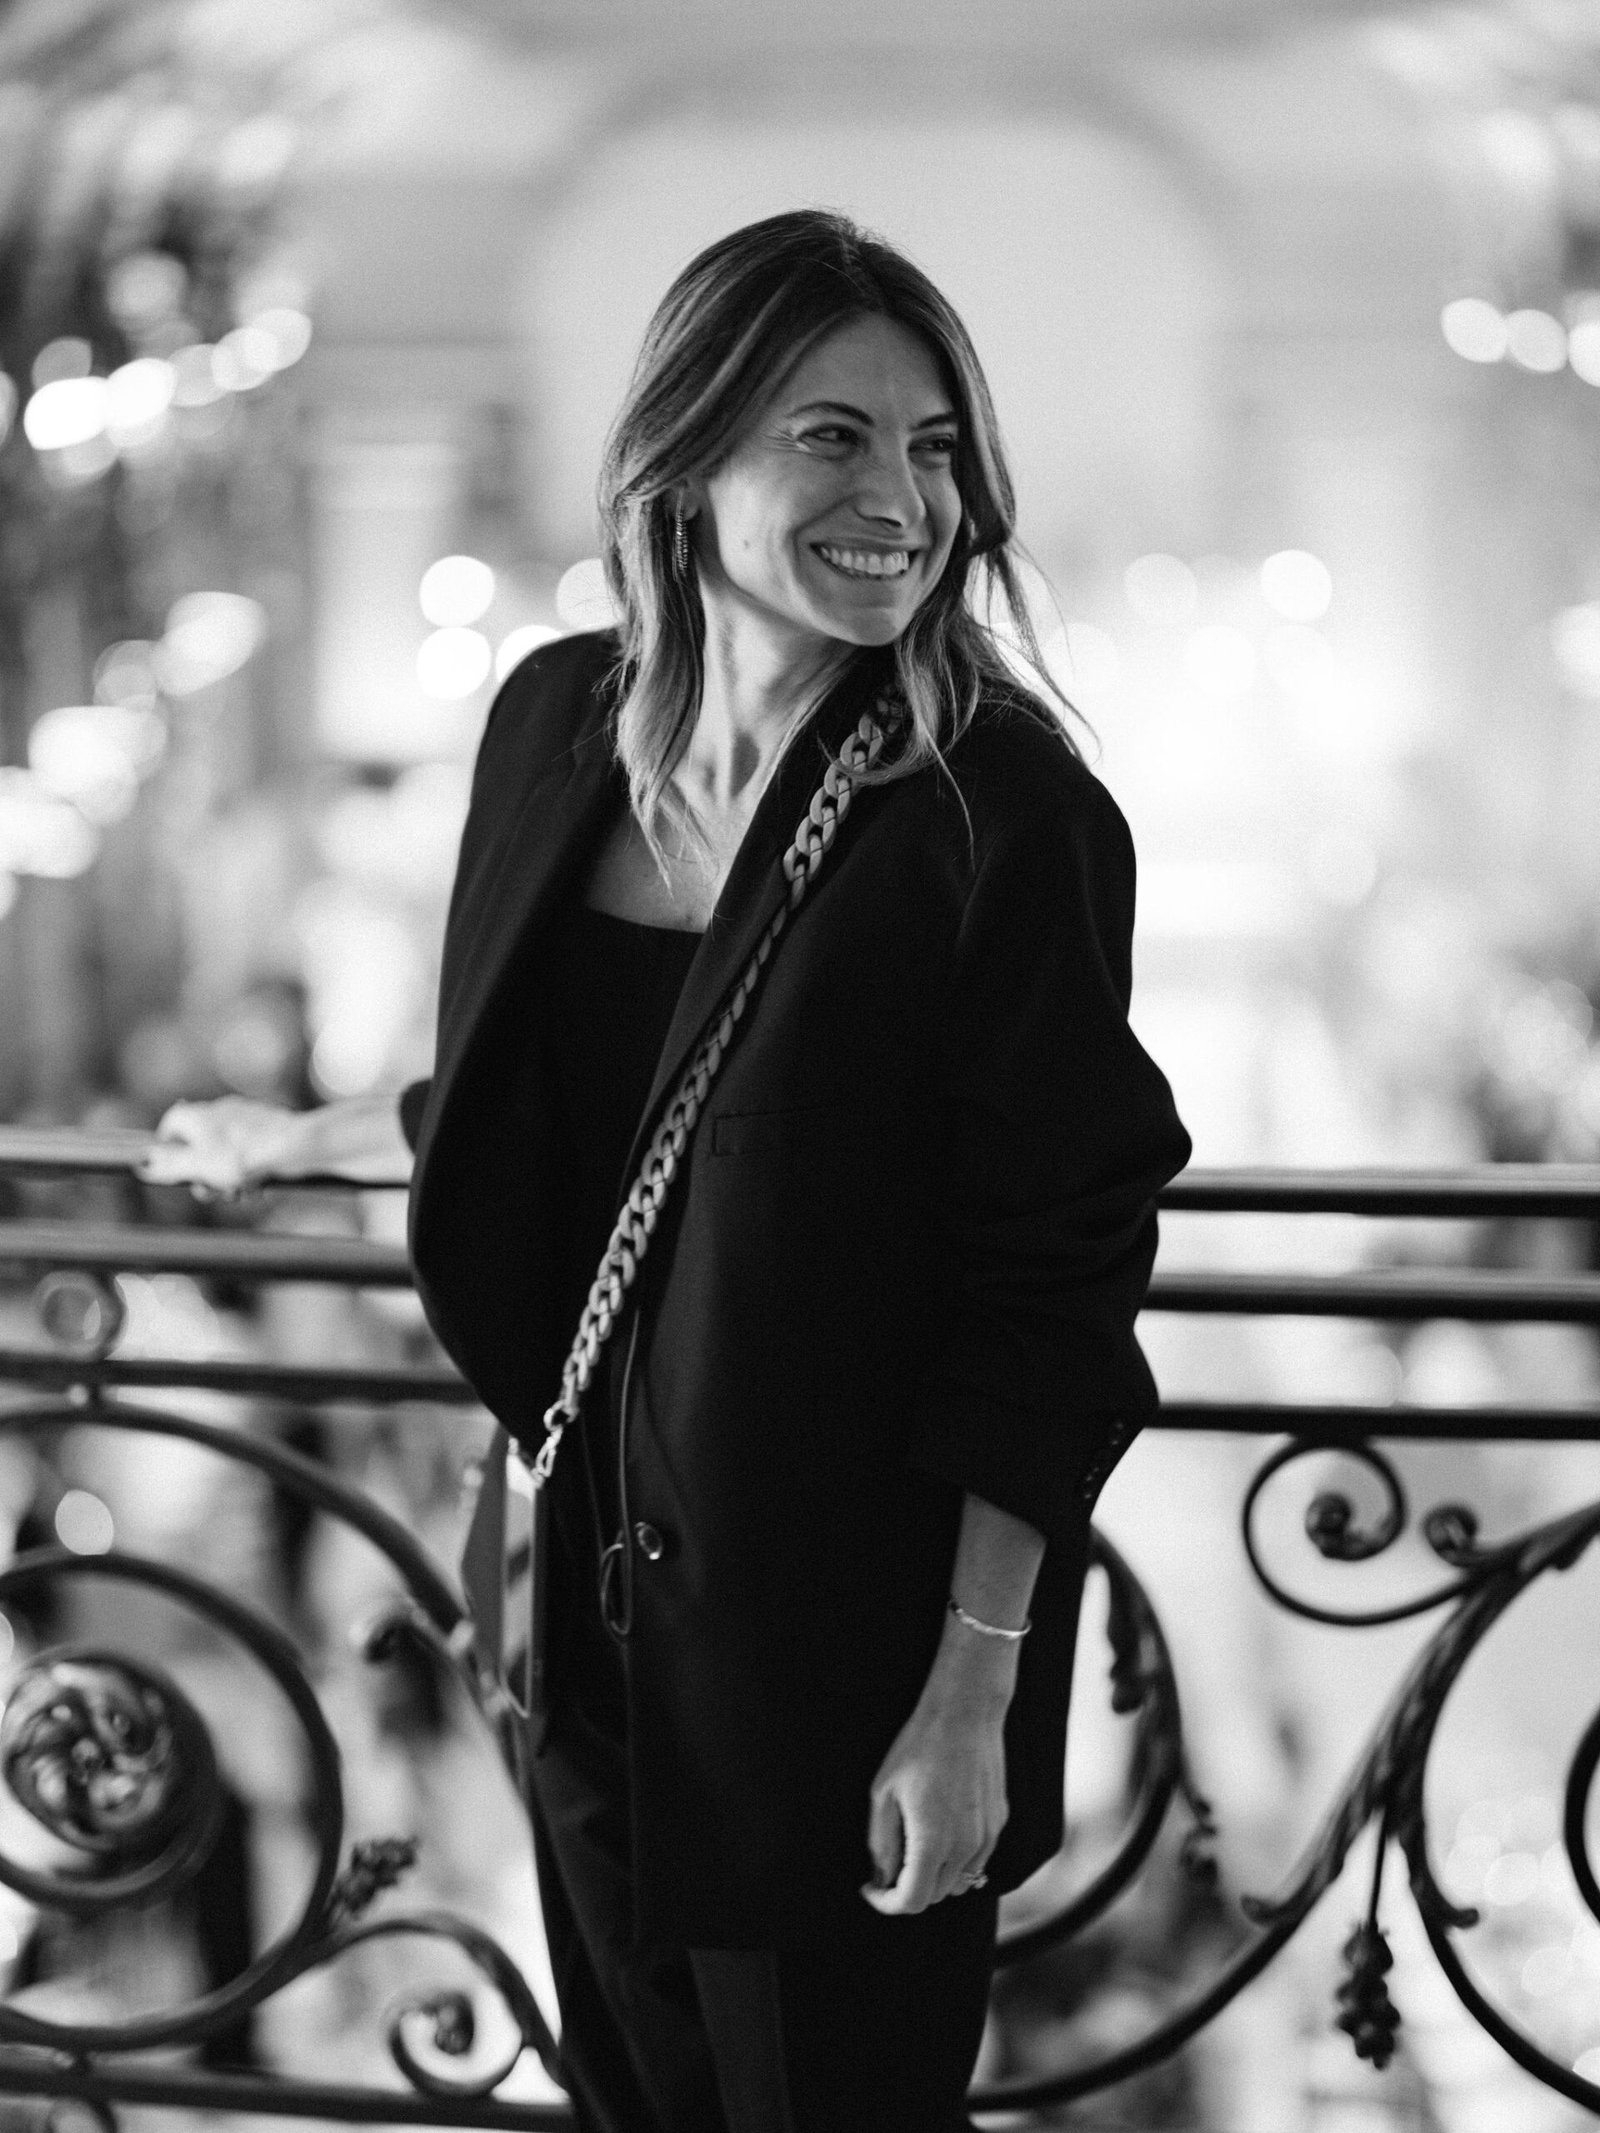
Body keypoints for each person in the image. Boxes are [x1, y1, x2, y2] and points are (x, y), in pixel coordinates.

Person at [150, 210, 1191, 2133]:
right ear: (682, 459)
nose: (904, 497)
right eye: (832, 437)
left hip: (851, 1675)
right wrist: (287, 1137)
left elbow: (1054, 1282)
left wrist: (968, 1701)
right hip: (593, 1635)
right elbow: (563, 1080)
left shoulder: (997, 817)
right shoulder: (553, 727)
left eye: (936, 445)